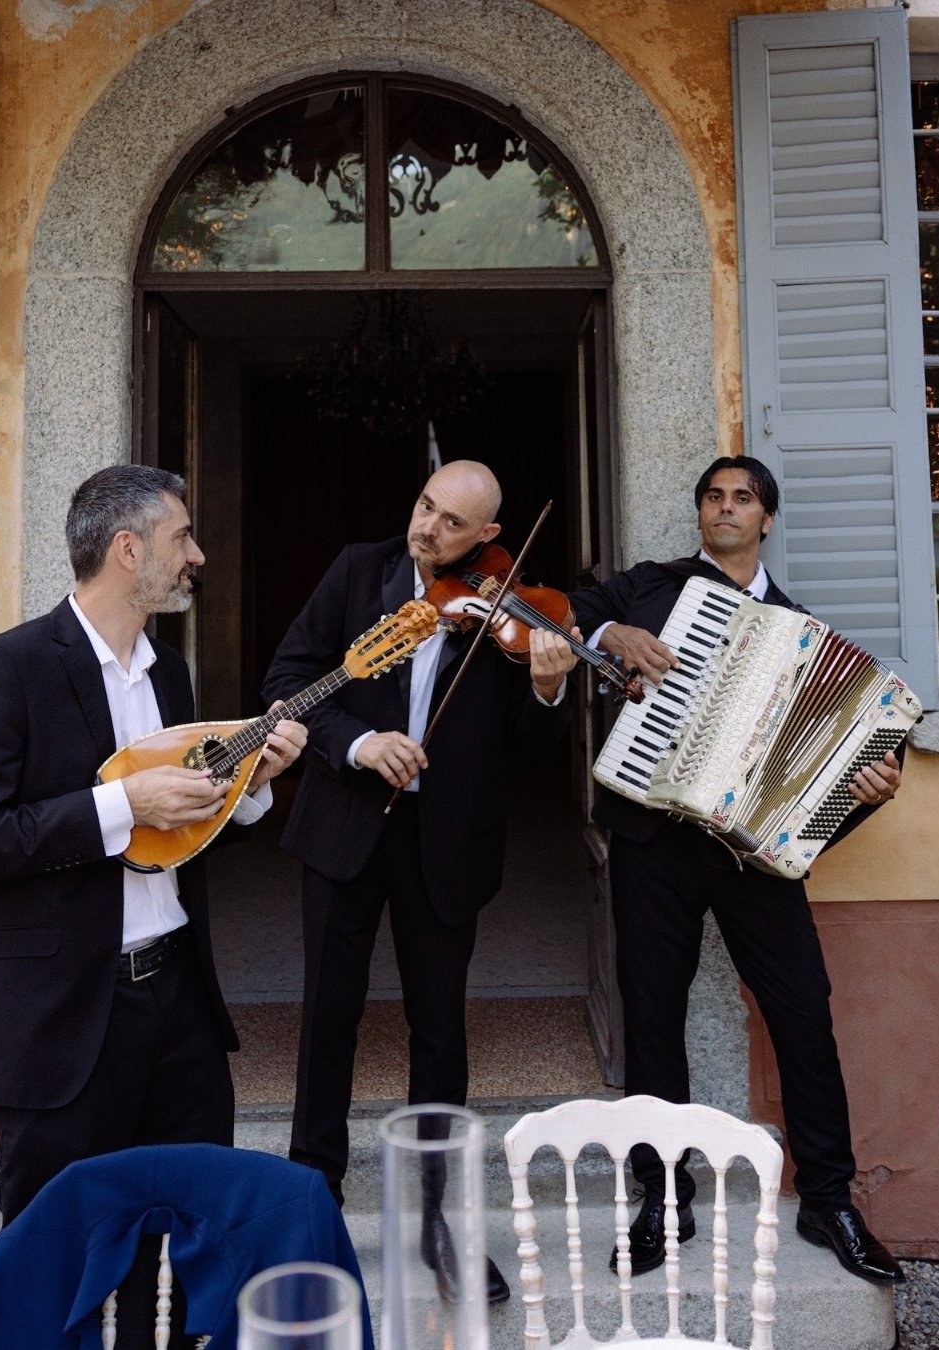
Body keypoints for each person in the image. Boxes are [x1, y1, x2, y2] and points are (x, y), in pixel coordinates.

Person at [0, 464, 307, 1224]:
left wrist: (250, 787)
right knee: (57, 1251)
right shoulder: (6, 669)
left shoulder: (171, 675)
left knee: (191, 1232)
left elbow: (176, 837)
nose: (197, 555)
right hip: (58, 1016)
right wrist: (120, 805)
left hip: (177, 1000)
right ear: (128, 550)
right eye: (183, 536)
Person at [569, 455, 905, 1286]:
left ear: (766, 520)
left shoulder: (804, 636)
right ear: (701, 514)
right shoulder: (647, 588)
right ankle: (663, 1197)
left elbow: (856, 766)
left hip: (753, 860)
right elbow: (562, 616)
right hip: (653, 841)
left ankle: (828, 1199)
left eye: (743, 498)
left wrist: (873, 785)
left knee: (803, 1013)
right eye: (714, 497)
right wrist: (607, 635)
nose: (727, 508)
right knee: (652, 1017)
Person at [261, 459, 578, 1303]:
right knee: (328, 1018)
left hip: (447, 844)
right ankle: (311, 1212)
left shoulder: (504, 612)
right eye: (425, 508)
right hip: (344, 830)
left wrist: (547, 689)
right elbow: (287, 685)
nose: (428, 529)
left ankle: (442, 1229)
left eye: (451, 523)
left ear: (488, 539)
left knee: (440, 1037)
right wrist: (361, 746)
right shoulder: (356, 571)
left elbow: (531, 753)